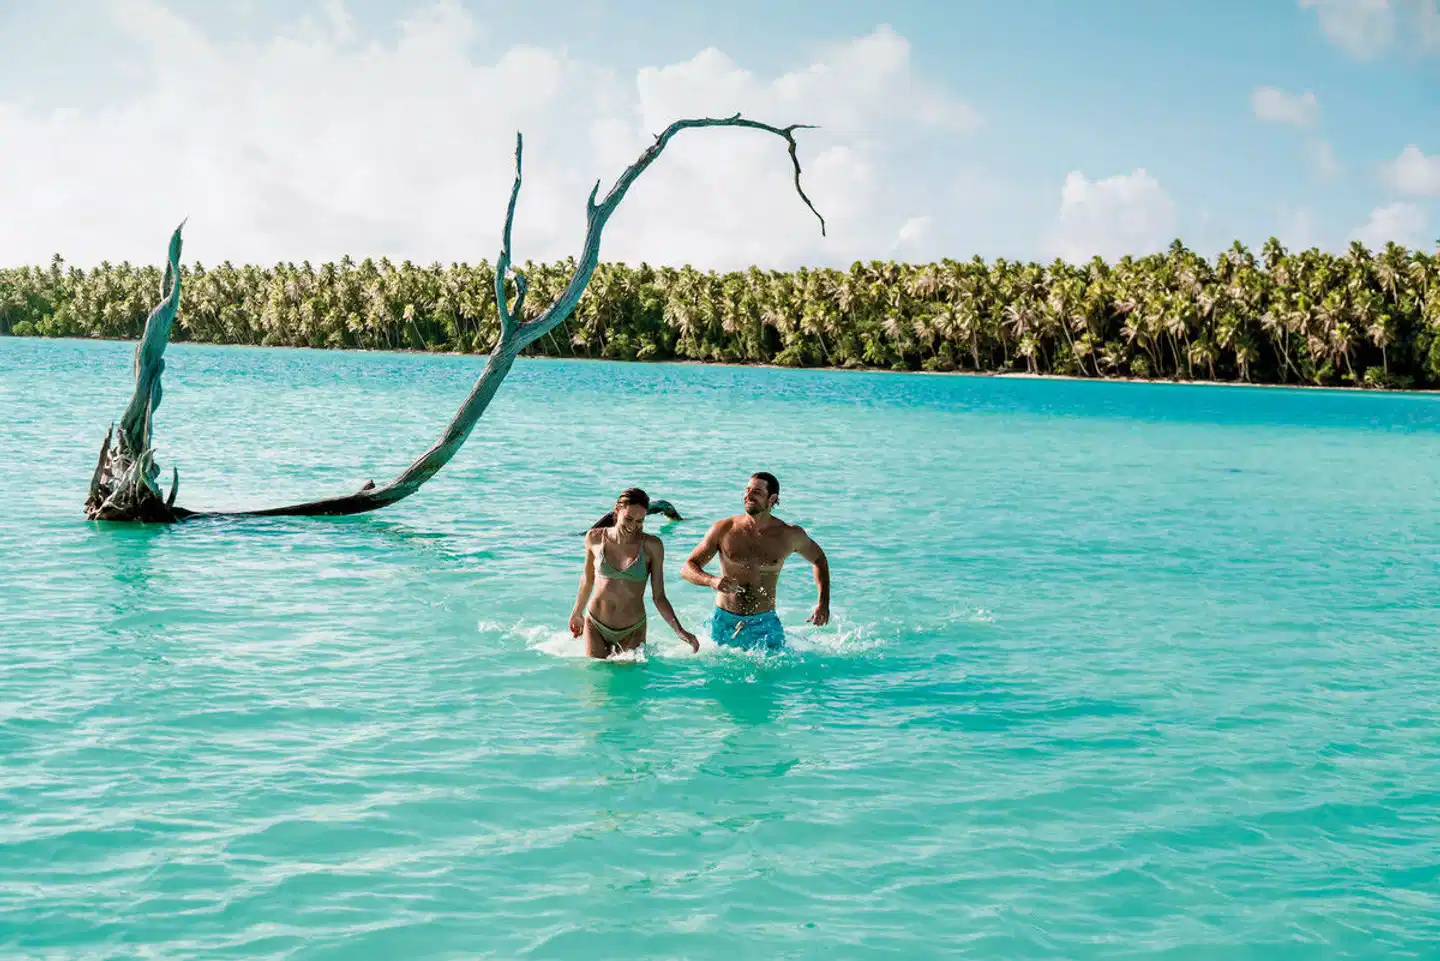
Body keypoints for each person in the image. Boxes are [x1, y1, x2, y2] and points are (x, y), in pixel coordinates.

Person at [681, 471, 830, 650]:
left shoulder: (789, 535)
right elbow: (688, 568)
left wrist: (823, 603)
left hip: (765, 624)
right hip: (724, 621)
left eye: (757, 492)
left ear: (772, 499)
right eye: (747, 490)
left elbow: (819, 559)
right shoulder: (724, 529)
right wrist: (712, 581)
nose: (748, 496)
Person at [570, 487, 700, 659]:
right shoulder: (594, 538)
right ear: (617, 509)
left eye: (640, 521)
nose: (633, 526)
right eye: (629, 518)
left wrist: (679, 630)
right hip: (596, 623)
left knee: (628, 683)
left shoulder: (652, 546)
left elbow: (659, 596)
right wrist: (577, 612)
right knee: (597, 682)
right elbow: (587, 579)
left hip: (632, 629)